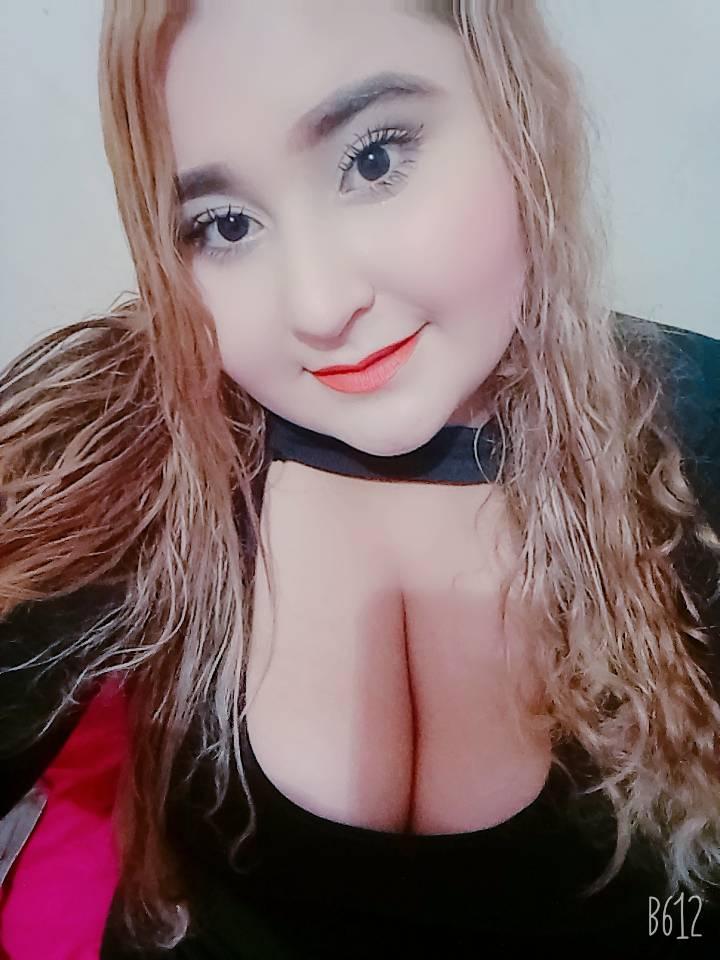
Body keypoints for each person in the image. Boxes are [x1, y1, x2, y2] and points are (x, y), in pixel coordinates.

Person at [1, 0, 719, 956]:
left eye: (373, 160)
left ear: (517, 107)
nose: (319, 306)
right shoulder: (134, 429)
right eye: (224, 224)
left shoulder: (694, 421)